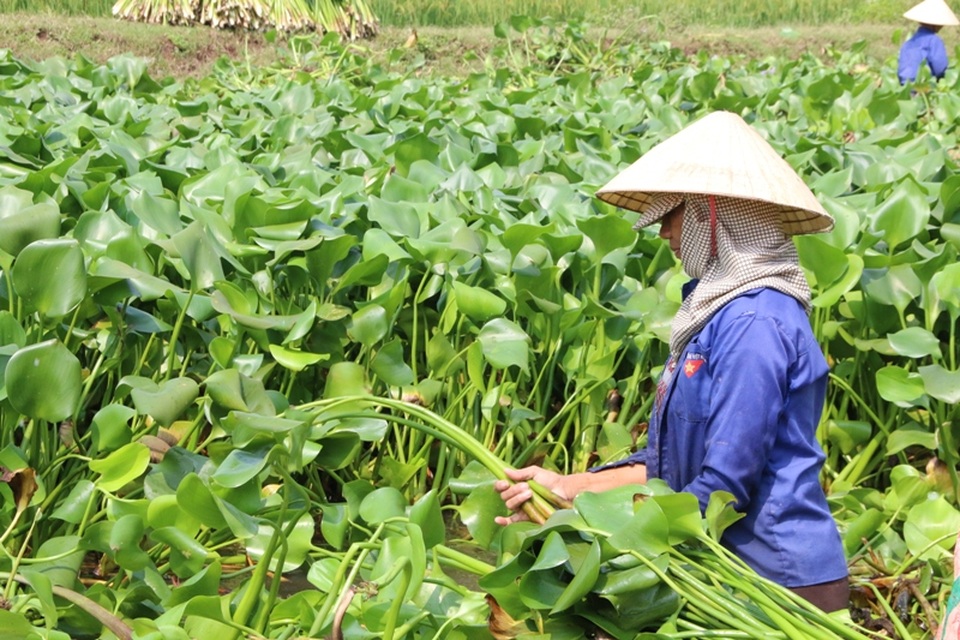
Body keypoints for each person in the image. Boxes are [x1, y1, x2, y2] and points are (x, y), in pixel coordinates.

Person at [495, 111, 850, 613]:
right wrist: (570, 490)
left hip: (774, 585)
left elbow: (724, 488)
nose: (663, 234)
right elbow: (673, 470)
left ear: (709, 214)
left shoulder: (755, 323)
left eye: (669, 217)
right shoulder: (719, 313)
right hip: (721, 574)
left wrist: (585, 522)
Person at [897, 0, 959, 84]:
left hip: (903, 85)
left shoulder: (909, 41)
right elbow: (940, 68)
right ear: (937, 24)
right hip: (922, 85)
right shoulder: (933, 40)